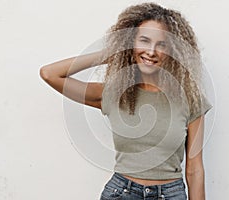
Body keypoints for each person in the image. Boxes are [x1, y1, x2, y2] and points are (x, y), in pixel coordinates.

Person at [40, 2, 212, 200]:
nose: (151, 51)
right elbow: (49, 74)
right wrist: (111, 52)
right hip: (121, 193)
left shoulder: (190, 98)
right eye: (144, 41)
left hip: (171, 194)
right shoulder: (114, 93)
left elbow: (195, 169)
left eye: (161, 44)